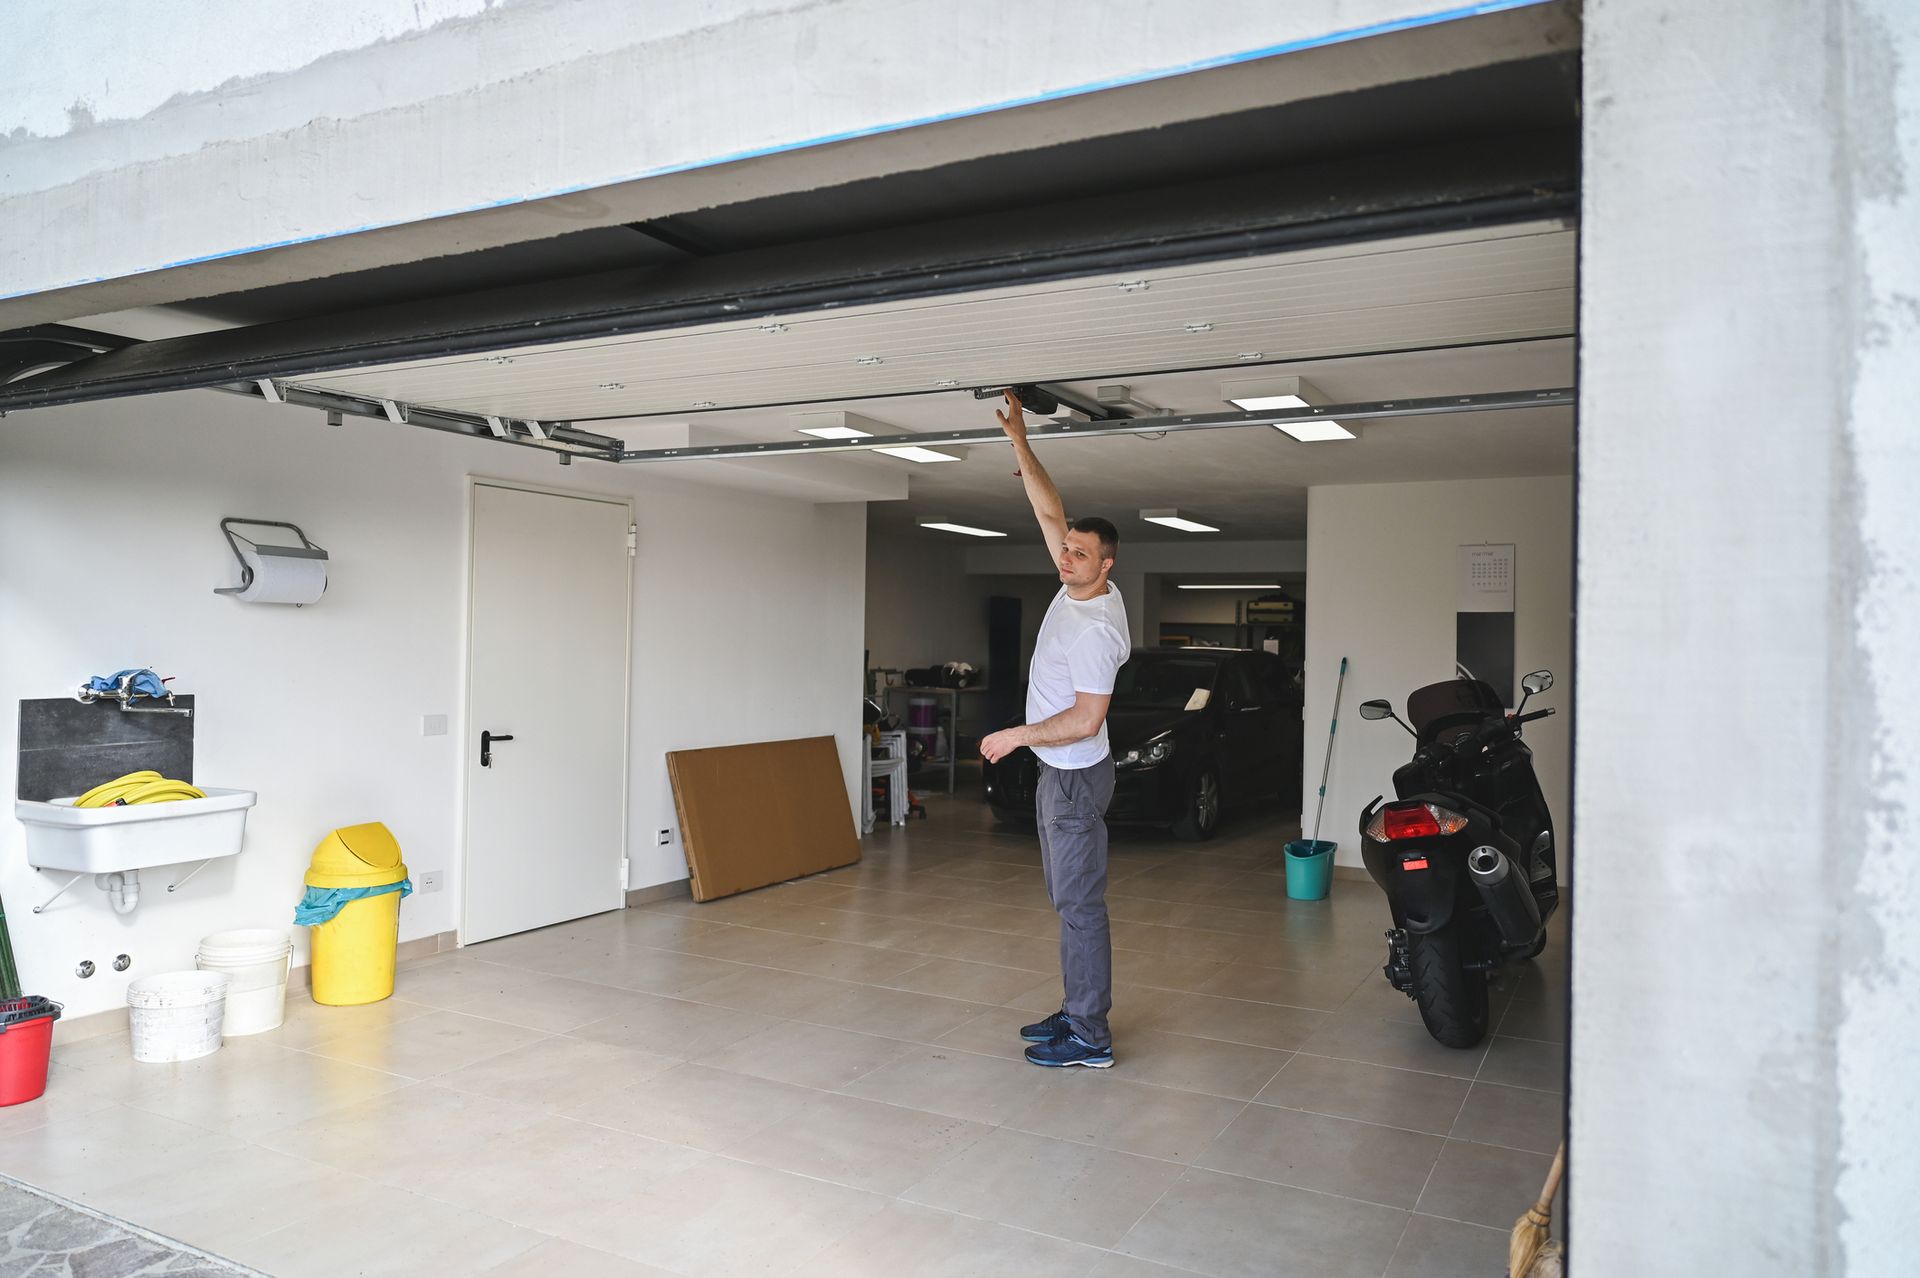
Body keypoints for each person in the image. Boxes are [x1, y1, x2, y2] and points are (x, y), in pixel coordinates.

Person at [979, 389, 1130, 1068]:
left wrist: (1016, 734)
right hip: (1061, 775)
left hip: (1073, 776)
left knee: (1079, 905)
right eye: (1066, 550)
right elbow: (1049, 510)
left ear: (1106, 565)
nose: (1065, 557)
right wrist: (1021, 440)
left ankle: (1090, 1034)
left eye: (1079, 553)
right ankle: (1077, 1010)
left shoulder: (1095, 628)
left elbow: (1088, 717)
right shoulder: (1078, 588)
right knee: (1067, 899)